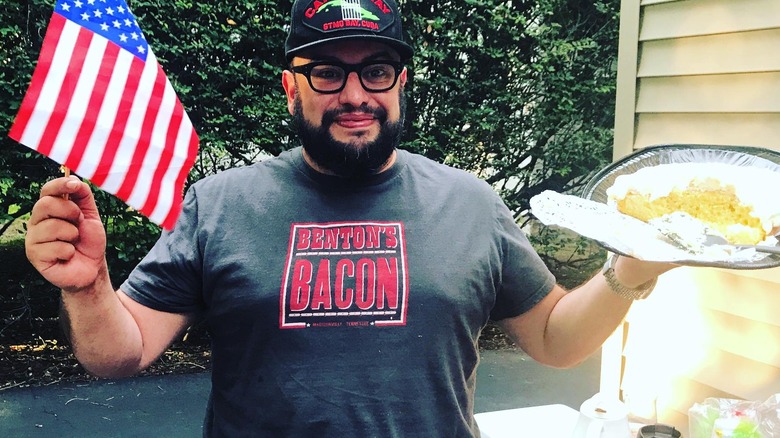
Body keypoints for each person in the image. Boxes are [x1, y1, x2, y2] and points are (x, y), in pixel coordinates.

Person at [25, 0, 675, 436]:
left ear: (402, 82)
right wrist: (89, 288)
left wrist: (629, 270)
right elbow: (122, 352)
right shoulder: (220, 205)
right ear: (291, 86)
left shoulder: (470, 203)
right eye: (329, 73)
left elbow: (555, 341)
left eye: (377, 71)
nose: (356, 95)